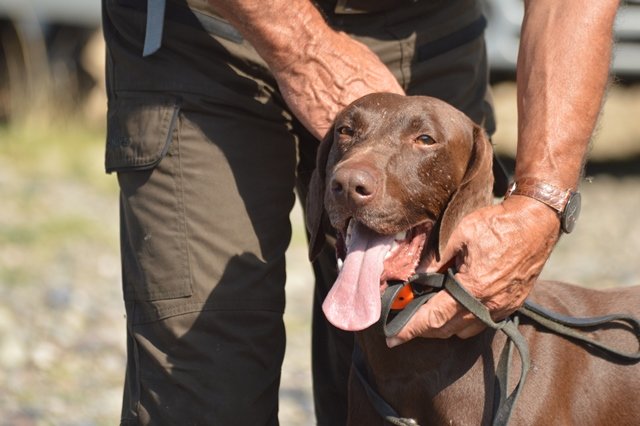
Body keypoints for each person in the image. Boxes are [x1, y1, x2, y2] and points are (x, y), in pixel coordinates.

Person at [101, 0, 619, 424]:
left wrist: (541, 202)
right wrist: (303, 50)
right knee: (205, 385)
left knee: (426, 363)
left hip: (422, 26)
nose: (349, 175)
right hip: (206, 36)